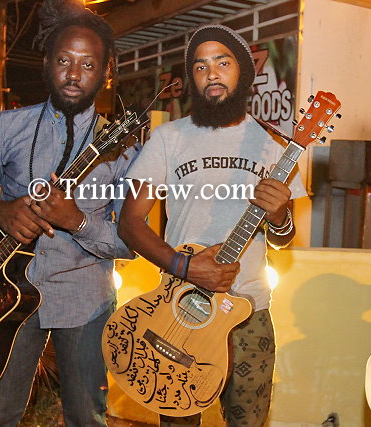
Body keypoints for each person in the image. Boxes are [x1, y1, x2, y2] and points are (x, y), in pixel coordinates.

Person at [0, 1, 137, 425]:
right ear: (47, 63)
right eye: (64, 61)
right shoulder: (7, 127)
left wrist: (78, 222)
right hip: (8, 298)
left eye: (88, 64)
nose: (74, 74)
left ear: (106, 72)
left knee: (86, 416)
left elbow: (129, 242)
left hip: (86, 299)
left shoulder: (125, 150)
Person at [117, 24, 306, 426]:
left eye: (223, 62)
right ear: (191, 78)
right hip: (179, 307)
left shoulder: (275, 146)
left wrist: (279, 216)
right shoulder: (167, 138)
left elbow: (285, 240)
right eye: (200, 67)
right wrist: (185, 267)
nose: (212, 74)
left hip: (249, 312)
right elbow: (129, 223)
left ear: (244, 72)